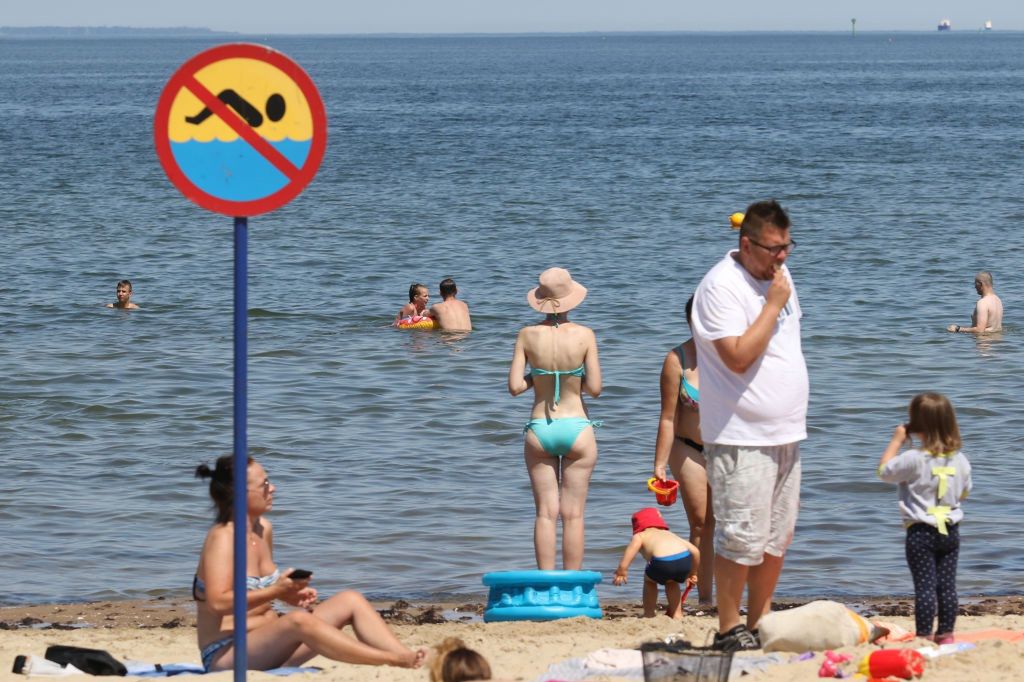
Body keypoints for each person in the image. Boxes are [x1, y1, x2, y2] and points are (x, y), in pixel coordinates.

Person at [691, 199, 808, 652]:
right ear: (747, 243)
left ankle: (759, 620)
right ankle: (726, 627)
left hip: (786, 429)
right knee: (740, 536)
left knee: (777, 536)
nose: (782, 256)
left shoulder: (779, 276)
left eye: (787, 246)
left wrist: (778, 293)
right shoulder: (720, 286)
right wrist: (772, 302)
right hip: (740, 435)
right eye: (774, 248)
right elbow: (737, 357)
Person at [192, 455, 427, 672]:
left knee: (350, 599)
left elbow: (258, 595)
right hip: (227, 655)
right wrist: (275, 590)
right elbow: (218, 603)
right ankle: (389, 659)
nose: (272, 488)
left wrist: (288, 595)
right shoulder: (223, 537)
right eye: (264, 484)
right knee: (298, 620)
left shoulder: (263, 529)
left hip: (274, 646)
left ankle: (406, 657)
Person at [508, 267, 601, 570]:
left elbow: (515, 387)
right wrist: (573, 379)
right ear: (570, 299)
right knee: (573, 515)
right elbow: (596, 389)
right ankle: (572, 582)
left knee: (545, 513)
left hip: (540, 429)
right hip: (577, 428)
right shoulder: (586, 334)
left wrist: (538, 378)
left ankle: (546, 581)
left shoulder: (526, 335)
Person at [877, 393, 971, 644]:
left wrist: (897, 441)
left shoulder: (912, 459)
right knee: (947, 587)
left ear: (916, 425)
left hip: (921, 533)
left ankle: (924, 636)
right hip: (950, 531)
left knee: (925, 588)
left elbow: (884, 472)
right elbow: (965, 491)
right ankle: (946, 635)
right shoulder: (960, 459)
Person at [652, 295, 714, 604]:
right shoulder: (677, 359)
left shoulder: (730, 357)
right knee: (701, 523)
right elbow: (667, 417)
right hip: (687, 447)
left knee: (730, 526)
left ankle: (725, 595)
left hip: (726, 449)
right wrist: (659, 464)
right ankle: (703, 598)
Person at [613, 507, 699, 619]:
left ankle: (649, 613)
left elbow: (630, 551)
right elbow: (696, 551)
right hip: (684, 559)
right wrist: (693, 573)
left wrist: (622, 570)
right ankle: (677, 614)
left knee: (649, 581)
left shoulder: (640, 536)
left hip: (662, 562)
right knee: (672, 582)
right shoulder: (670, 534)